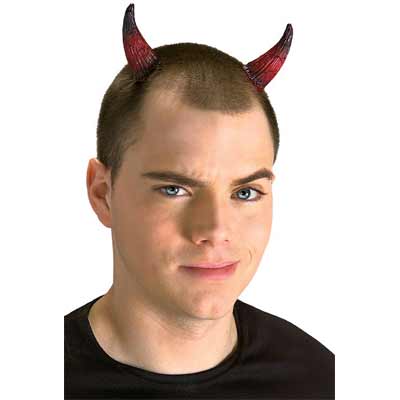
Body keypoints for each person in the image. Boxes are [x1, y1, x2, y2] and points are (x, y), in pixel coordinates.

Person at [64, 3, 334, 399]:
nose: (216, 230)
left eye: (245, 192)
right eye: (174, 189)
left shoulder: (320, 379)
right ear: (103, 194)